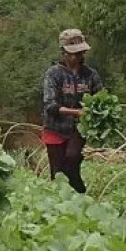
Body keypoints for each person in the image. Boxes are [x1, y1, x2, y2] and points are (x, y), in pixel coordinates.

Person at [41, 28, 103, 194]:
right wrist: (76, 112)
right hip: (55, 127)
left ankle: (80, 193)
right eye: (71, 54)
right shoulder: (53, 74)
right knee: (57, 171)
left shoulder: (90, 75)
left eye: (79, 53)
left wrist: (94, 113)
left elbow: (101, 99)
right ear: (63, 53)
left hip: (79, 128)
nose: (76, 57)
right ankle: (60, 204)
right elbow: (50, 105)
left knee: (72, 158)